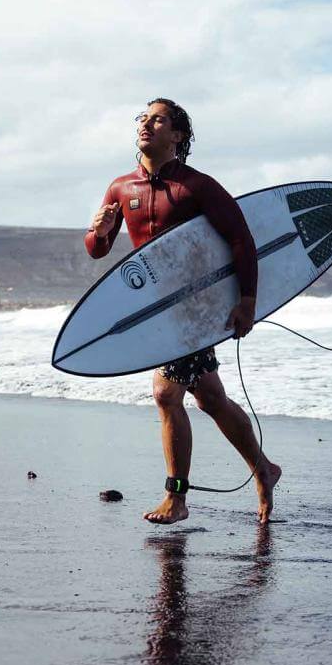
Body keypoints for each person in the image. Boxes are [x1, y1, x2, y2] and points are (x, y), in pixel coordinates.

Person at [84, 98, 281, 524]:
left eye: (158, 120)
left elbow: (241, 239)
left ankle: (176, 496)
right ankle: (263, 470)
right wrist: (97, 233)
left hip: (195, 309)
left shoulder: (197, 186)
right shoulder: (121, 188)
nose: (147, 125)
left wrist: (247, 300)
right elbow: (98, 252)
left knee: (165, 393)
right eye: (143, 118)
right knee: (210, 399)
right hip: (157, 312)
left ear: (177, 136)